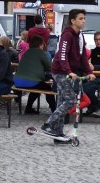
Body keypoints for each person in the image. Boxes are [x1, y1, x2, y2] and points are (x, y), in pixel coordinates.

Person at [40, 9, 95, 142]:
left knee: (61, 101)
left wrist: (89, 72)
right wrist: (68, 71)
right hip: (60, 71)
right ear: (73, 20)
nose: (83, 21)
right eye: (81, 18)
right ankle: (48, 124)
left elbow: (82, 57)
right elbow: (62, 55)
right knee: (71, 100)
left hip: (69, 72)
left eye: (84, 18)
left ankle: (58, 134)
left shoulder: (79, 36)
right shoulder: (67, 35)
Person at [14, 35, 56, 114]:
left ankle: (28, 108)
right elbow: (50, 66)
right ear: (41, 44)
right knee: (47, 88)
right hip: (31, 81)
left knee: (36, 89)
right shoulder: (40, 52)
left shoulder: (27, 52)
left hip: (17, 82)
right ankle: (54, 110)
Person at [83, 31, 100, 116]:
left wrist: (94, 67)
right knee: (80, 86)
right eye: (96, 40)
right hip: (94, 75)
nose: (98, 41)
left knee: (86, 88)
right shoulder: (94, 51)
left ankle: (96, 107)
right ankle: (93, 107)